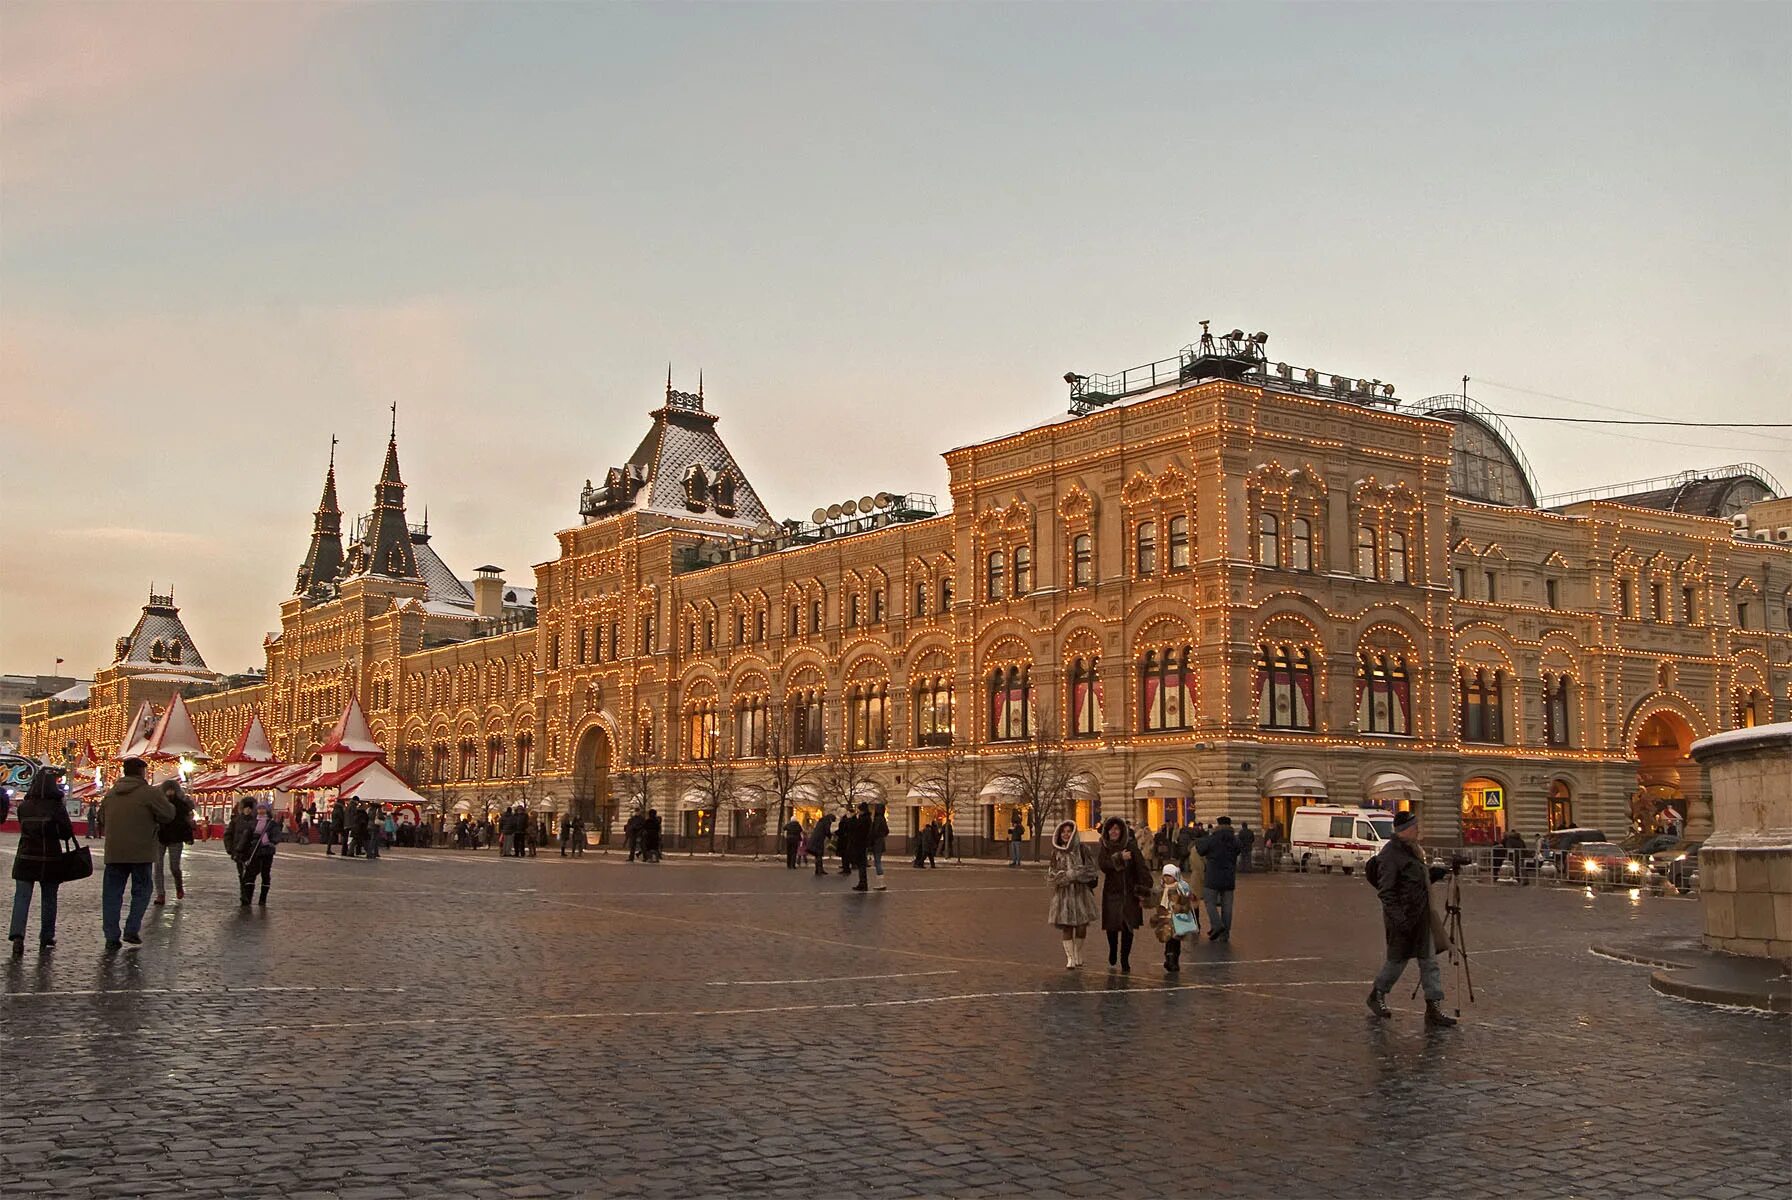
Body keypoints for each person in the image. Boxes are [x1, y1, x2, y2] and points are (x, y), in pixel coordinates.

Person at [1365, 809, 1457, 1026]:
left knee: (1429, 962)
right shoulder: (1390, 855)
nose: (1418, 830)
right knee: (1396, 962)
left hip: (1420, 918)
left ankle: (1433, 1008)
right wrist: (1400, 920)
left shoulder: (1413, 851)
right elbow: (1387, 892)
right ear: (1404, 830)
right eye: (1415, 827)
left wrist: (1435, 874)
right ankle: (1377, 994)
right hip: (1402, 920)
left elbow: (1414, 882)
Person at [98, 757, 174, 952]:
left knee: (112, 894)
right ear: (142, 772)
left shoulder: (111, 793)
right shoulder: (149, 793)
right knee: (142, 890)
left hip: (114, 852)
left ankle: (111, 936)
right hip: (141, 851)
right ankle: (132, 928)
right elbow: (168, 814)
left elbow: (101, 818)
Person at [10, 769, 75, 955]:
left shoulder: (24, 806)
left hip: (25, 857)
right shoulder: (56, 807)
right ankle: (46, 936)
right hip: (49, 858)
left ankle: (17, 935)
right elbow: (66, 833)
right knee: (49, 898)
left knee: (22, 898)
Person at [1097, 816, 1152, 973]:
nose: (1113, 832)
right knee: (1112, 926)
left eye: (1116, 829)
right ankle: (1113, 950)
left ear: (1121, 831)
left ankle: (1124, 958)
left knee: (1128, 927)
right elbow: (1103, 865)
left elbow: (1141, 867)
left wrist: (1144, 888)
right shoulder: (1105, 847)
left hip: (1129, 892)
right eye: (1111, 829)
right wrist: (1119, 858)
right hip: (1112, 893)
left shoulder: (1131, 846)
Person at [1045, 820, 1100, 969]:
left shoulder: (1083, 849)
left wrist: (1075, 874)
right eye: (1063, 832)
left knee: (1082, 926)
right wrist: (1063, 877)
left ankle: (1077, 952)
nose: (1066, 834)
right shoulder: (1056, 852)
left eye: (1069, 831)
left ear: (1073, 833)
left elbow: (1091, 870)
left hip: (1081, 893)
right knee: (1067, 927)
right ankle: (1070, 958)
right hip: (1064, 895)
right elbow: (1051, 874)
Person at [228, 797, 282, 907]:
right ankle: (247, 897)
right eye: (259, 809)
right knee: (249, 875)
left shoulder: (271, 823)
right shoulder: (253, 822)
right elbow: (246, 836)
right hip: (254, 851)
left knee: (265, 874)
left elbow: (276, 835)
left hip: (267, 851)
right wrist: (238, 850)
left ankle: (262, 898)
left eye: (263, 809)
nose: (261, 811)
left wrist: (271, 841)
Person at [1195, 816, 1241, 941]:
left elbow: (1201, 850)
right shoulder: (1234, 840)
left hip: (1213, 876)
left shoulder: (1213, 838)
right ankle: (1225, 934)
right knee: (1227, 906)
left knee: (1209, 901)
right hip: (1229, 876)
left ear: (1218, 824)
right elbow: (1239, 849)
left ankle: (1217, 924)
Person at [153, 779, 195, 905]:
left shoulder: (182, 804)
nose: (170, 792)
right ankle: (160, 894)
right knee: (158, 866)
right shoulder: (158, 803)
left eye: (172, 790)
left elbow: (186, 822)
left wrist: (188, 836)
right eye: (167, 790)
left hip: (176, 838)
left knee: (174, 867)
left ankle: (179, 885)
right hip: (160, 837)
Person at [1157, 863, 1197, 972]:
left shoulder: (1180, 886)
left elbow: (1187, 895)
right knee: (1168, 939)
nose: (1166, 879)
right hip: (1166, 917)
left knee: (1176, 940)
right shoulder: (1162, 887)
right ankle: (1169, 958)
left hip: (1178, 918)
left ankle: (1173, 960)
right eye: (1165, 876)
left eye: (1169, 876)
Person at [840, 803, 870, 891]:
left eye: (859, 810)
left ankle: (863, 883)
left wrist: (852, 818)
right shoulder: (865, 818)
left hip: (860, 844)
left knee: (861, 865)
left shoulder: (864, 819)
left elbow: (855, 828)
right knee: (861, 865)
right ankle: (862, 883)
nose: (858, 811)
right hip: (861, 844)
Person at [867, 803, 890, 890]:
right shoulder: (883, 819)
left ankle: (881, 883)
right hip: (881, 842)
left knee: (877, 862)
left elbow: (874, 832)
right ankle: (881, 882)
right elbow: (887, 831)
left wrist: (871, 839)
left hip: (876, 843)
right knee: (878, 861)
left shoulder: (877, 819)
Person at [807, 813, 834, 877]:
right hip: (818, 840)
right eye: (832, 821)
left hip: (815, 839)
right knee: (819, 855)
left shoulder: (821, 821)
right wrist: (831, 837)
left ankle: (818, 870)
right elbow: (827, 831)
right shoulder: (826, 822)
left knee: (817, 855)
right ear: (830, 819)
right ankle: (819, 870)